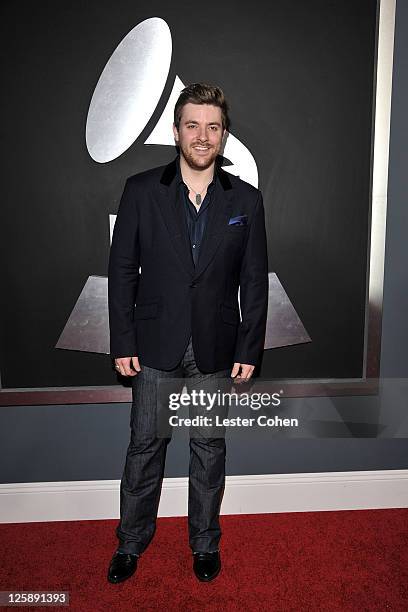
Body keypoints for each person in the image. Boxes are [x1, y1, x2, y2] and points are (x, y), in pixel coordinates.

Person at [107, 83, 268, 584]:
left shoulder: (246, 199)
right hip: (155, 345)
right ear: (176, 131)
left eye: (213, 127)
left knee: (208, 449)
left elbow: (254, 280)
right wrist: (124, 340)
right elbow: (123, 270)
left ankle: (204, 543)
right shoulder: (140, 191)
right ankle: (131, 543)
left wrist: (249, 347)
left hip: (216, 347)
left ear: (224, 135)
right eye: (193, 125)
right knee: (145, 449)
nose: (202, 136)